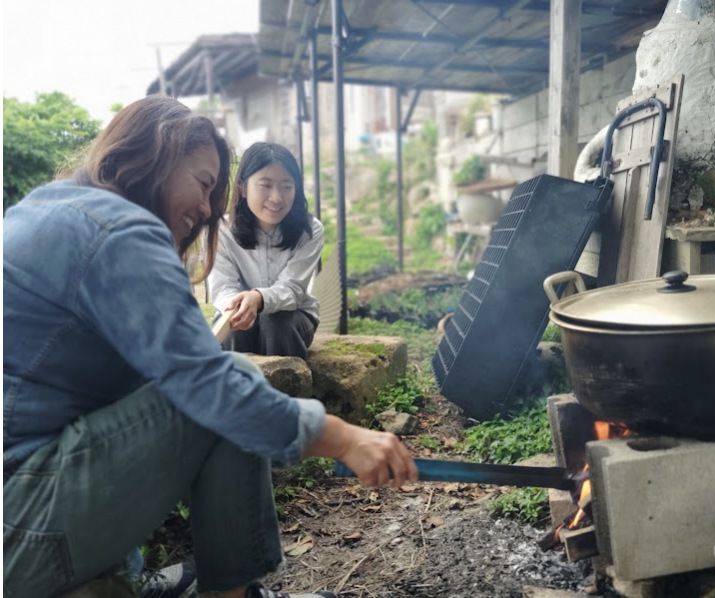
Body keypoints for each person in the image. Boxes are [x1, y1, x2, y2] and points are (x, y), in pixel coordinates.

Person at [3, 97, 417, 598]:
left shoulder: (52, 206)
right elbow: (205, 385)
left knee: (212, 386)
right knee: (219, 393)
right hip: (23, 526)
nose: (206, 208)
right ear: (155, 154)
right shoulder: (115, 230)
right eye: (203, 184)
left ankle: (131, 579)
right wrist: (345, 439)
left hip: (23, 503)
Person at [209, 142, 322, 360]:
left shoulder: (310, 230)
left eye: (287, 186)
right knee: (234, 325)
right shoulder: (221, 231)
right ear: (242, 187)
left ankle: (288, 387)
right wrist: (241, 308)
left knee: (276, 321)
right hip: (236, 317)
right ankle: (236, 392)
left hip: (293, 320)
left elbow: (293, 289)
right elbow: (222, 288)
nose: (277, 197)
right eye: (265, 185)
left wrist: (259, 299)